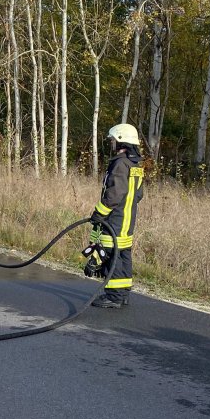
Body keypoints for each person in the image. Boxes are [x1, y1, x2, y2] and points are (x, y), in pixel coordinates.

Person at [89, 123, 144, 308]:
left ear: (120, 140)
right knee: (123, 255)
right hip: (128, 220)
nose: (110, 143)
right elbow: (139, 194)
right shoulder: (134, 164)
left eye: (112, 140)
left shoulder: (120, 163)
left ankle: (114, 297)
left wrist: (99, 213)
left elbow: (114, 194)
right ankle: (123, 293)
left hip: (115, 219)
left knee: (113, 256)